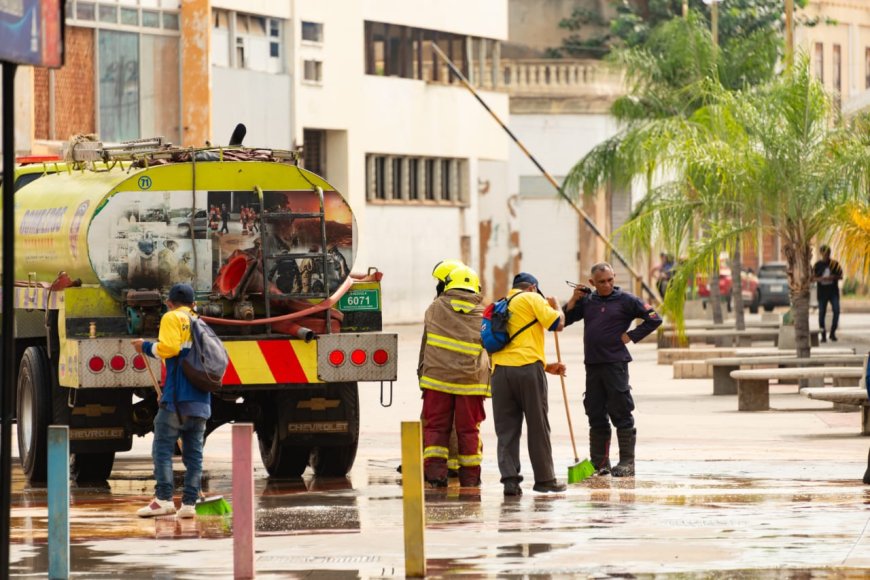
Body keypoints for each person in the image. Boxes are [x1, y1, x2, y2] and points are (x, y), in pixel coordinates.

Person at [563, 262, 662, 477]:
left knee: (621, 410)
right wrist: (573, 300)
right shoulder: (588, 301)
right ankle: (599, 463)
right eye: (601, 282)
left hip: (615, 364)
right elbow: (564, 321)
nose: (607, 285)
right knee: (595, 412)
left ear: (614, 277)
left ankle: (627, 462)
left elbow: (654, 318)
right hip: (593, 364)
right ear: (592, 282)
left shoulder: (627, 300)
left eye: (610, 280)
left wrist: (631, 336)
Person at [132, 283, 210, 518]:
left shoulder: (172, 317)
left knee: (163, 450)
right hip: (201, 400)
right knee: (194, 455)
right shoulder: (200, 322)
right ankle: (189, 505)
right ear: (193, 303)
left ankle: (163, 500)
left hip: (177, 399)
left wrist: (145, 346)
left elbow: (170, 348)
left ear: (169, 303)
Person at [491, 272, 567, 496]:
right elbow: (557, 323)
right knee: (537, 425)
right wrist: (557, 306)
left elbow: (512, 345)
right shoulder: (532, 298)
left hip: (499, 372)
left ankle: (510, 482)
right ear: (533, 287)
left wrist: (546, 366)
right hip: (527, 372)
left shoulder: (500, 304)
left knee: (506, 430)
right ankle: (545, 479)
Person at [418, 265, 491, 488]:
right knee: (468, 430)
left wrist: (422, 375)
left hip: (437, 381)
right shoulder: (484, 314)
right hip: (471, 384)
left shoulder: (434, 308)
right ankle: (470, 478)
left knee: (435, 428)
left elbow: (426, 343)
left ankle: (435, 475)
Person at [813, 244, 843, 342]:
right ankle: (823, 335)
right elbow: (812, 278)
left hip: (833, 292)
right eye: (824, 253)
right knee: (821, 313)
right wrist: (821, 279)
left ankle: (832, 333)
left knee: (836, 311)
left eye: (827, 253)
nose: (826, 255)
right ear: (821, 254)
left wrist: (833, 277)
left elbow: (841, 276)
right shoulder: (817, 265)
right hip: (822, 293)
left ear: (830, 253)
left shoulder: (835, 264)